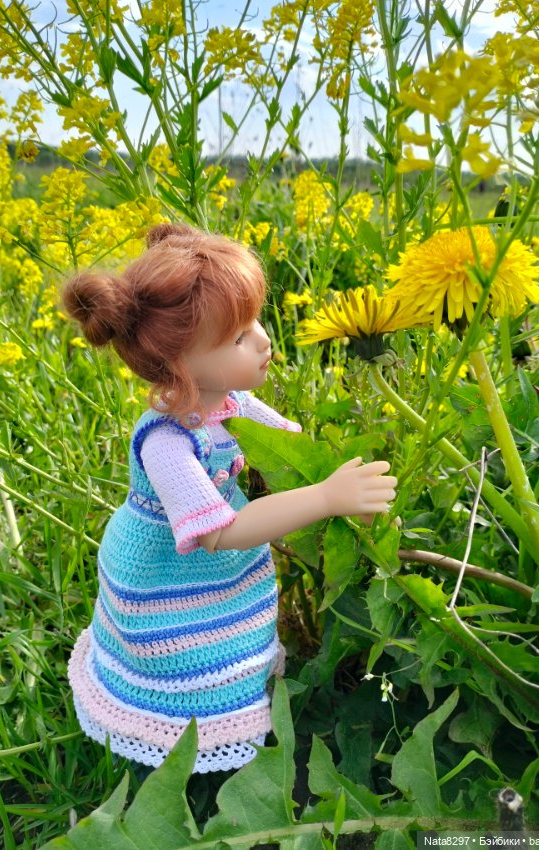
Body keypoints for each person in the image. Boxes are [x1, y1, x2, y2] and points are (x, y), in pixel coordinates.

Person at [63, 222, 397, 774]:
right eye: (239, 337)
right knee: (188, 653)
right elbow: (219, 533)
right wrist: (325, 497)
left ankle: (231, 711)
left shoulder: (229, 404)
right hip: (171, 569)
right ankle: (178, 739)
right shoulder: (167, 442)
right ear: (177, 364)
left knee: (235, 629)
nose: (264, 340)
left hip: (222, 569)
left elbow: (283, 442)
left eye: (255, 323)